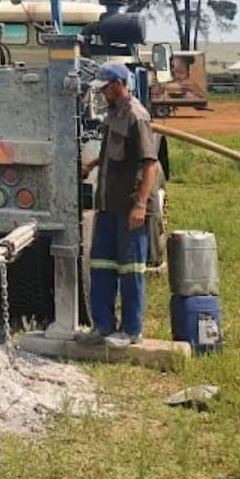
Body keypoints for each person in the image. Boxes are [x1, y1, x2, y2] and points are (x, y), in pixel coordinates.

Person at [79, 63, 159, 349]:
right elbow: (113, 153)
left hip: (129, 208)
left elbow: (150, 164)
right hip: (108, 205)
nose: (101, 94)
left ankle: (131, 330)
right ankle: (102, 326)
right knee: (101, 265)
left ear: (117, 84)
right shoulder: (114, 114)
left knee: (130, 269)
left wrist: (139, 205)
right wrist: (93, 164)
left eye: (104, 88)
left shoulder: (137, 116)